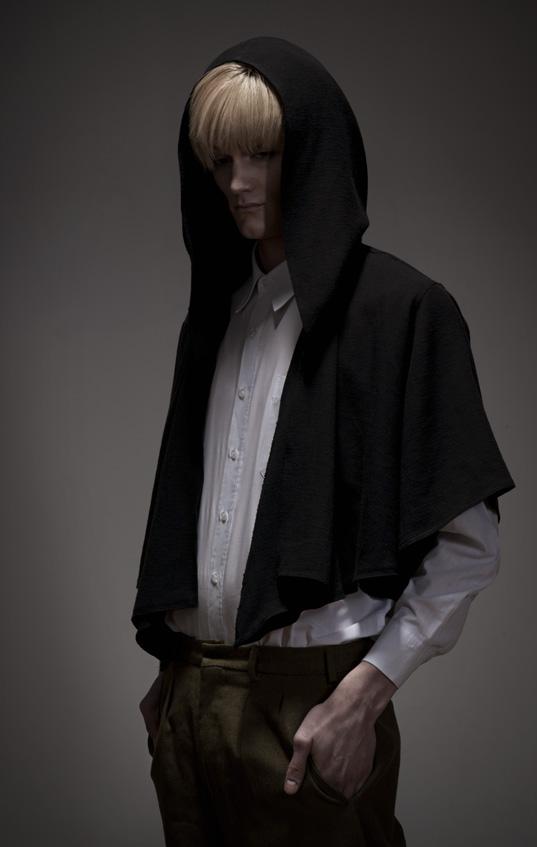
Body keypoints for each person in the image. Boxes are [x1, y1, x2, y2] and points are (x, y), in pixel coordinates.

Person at [132, 36, 515, 847]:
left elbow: (469, 543)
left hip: (309, 703)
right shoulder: (216, 321)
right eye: (221, 160)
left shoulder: (403, 311)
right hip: (192, 697)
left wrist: (364, 695)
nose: (239, 183)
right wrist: (175, 673)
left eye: (263, 155)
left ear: (314, 151)